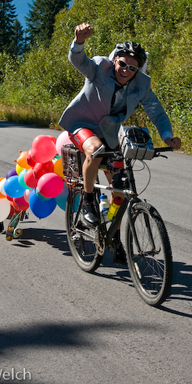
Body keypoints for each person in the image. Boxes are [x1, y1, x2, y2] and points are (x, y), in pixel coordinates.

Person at [59, 23, 181, 264]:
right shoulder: (99, 68)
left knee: (121, 185)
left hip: (110, 132)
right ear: (114, 60)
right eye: (122, 63)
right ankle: (86, 201)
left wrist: (167, 135)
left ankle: (112, 236)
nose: (125, 69)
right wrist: (79, 42)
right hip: (83, 124)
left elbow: (157, 112)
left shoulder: (142, 85)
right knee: (95, 151)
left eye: (132, 67)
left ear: (138, 69)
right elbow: (79, 61)